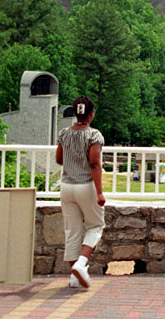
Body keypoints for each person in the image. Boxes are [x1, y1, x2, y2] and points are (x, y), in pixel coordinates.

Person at [56, 96, 105, 289]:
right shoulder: (94, 136)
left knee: (72, 231)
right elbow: (94, 163)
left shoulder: (63, 134)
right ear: (91, 114)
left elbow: (59, 159)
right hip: (85, 186)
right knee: (96, 226)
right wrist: (99, 192)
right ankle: (81, 263)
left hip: (66, 186)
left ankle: (74, 277)